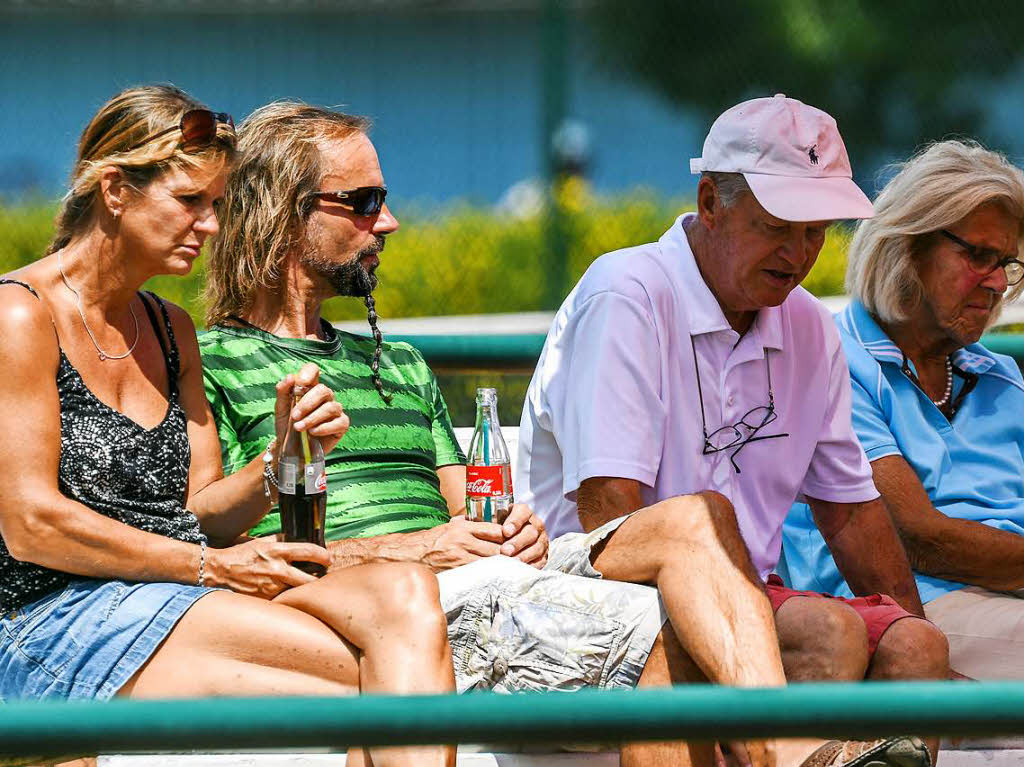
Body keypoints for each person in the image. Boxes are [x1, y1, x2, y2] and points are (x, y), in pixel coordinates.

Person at [201, 100, 926, 767]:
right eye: (364, 203)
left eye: (383, 202)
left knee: (826, 604)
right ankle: (795, 756)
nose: (387, 222)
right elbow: (214, 552)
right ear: (282, 214)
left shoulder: (404, 363)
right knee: (672, 601)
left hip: (502, 588)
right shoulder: (213, 364)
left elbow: (474, 514)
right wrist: (421, 545)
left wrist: (505, 528)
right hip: (405, 610)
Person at [0, 85, 456, 767]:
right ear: (115, 189)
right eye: (190, 201)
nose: (211, 225)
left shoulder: (171, 328)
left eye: (215, 205)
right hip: (52, 622)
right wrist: (211, 566)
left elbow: (203, 511)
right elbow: (31, 523)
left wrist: (281, 456)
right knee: (400, 678)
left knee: (404, 593)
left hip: (172, 597)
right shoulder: (20, 315)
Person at [517, 94, 947, 762]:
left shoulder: (808, 325)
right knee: (818, 622)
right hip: (584, 596)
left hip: (746, 600)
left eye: (816, 230)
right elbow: (608, 521)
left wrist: (919, 634)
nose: (801, 252)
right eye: (781, 225)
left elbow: (854, 512)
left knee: (920, 647)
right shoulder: (627, 292)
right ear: (710, 200)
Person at [782, 139, 1024, 681]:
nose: (995, 282)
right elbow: (917, 537)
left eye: (1005, 262)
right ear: (907, 246)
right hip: (900, 612)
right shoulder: (836, 359)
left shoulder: (1001, 377)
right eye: (977, 255)